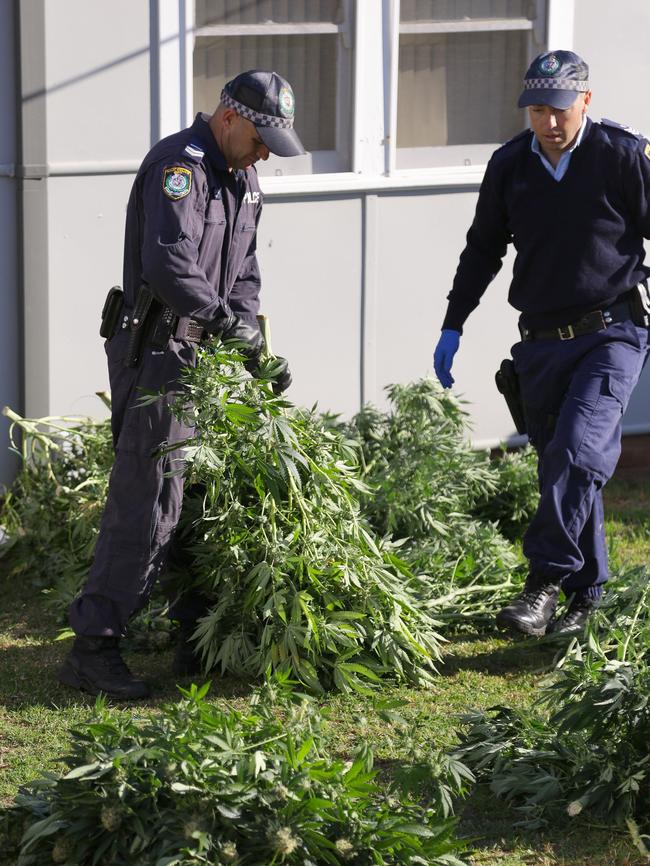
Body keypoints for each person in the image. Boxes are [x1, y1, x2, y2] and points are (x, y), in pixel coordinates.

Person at [59, 70, 304, 699]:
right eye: (262, 137)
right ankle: (95, 645)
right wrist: (226, 324)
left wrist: (248, 335)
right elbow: (167, 262)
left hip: (209, 357)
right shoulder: (180, 166)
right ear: (229, 117)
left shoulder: (243, 177)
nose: (267, 153)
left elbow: (245, 268)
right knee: (149, 500)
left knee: (201, 495)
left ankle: (194, 635)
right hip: (161, 354)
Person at [433, 50, 650, 639]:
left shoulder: (621, 155)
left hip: (612, 331)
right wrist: (455, 322)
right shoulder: (510, 165)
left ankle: (543, 585)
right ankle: (586, 598)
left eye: (558, 109)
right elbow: (483, 248)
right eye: (536, 110)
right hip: (541, 342)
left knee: (577, 453)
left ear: (585, 100)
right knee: (562, 464)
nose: (548, 122)